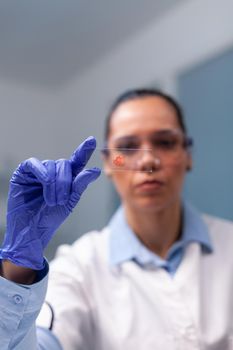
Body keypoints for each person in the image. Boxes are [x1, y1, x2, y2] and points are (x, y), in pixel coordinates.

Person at [0, 88, 233, 350]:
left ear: (188, 155)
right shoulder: (79, 267)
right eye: (127, 148)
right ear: (109, 163)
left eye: (165, 143)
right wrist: (17, 271)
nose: (148, 161)